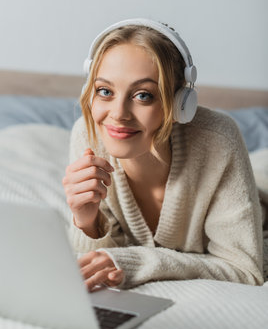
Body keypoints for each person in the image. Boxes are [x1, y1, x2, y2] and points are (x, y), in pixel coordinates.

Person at [62, 18, 264, 291]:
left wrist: (137, 261)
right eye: (105, 91)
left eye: (143, 95)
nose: (118, 114)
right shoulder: (87, 134)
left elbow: (245, 269)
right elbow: (96, 263)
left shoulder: (219, 139)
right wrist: (87, 222)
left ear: (181, 103)